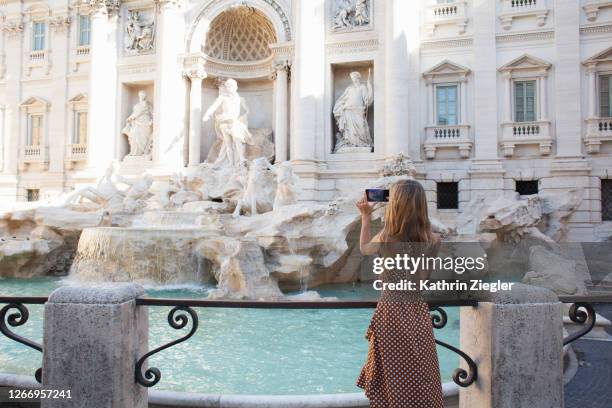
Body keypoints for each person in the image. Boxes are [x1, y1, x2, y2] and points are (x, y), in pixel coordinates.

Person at [355, 179, 444, 408]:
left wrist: (365, 216)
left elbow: (365, 249)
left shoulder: (386, 238)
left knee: (393, 375)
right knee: (422, 370)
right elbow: (423, 279)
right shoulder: (433, 239)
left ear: (394, 205)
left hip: (391, 313)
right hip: (417, 312)